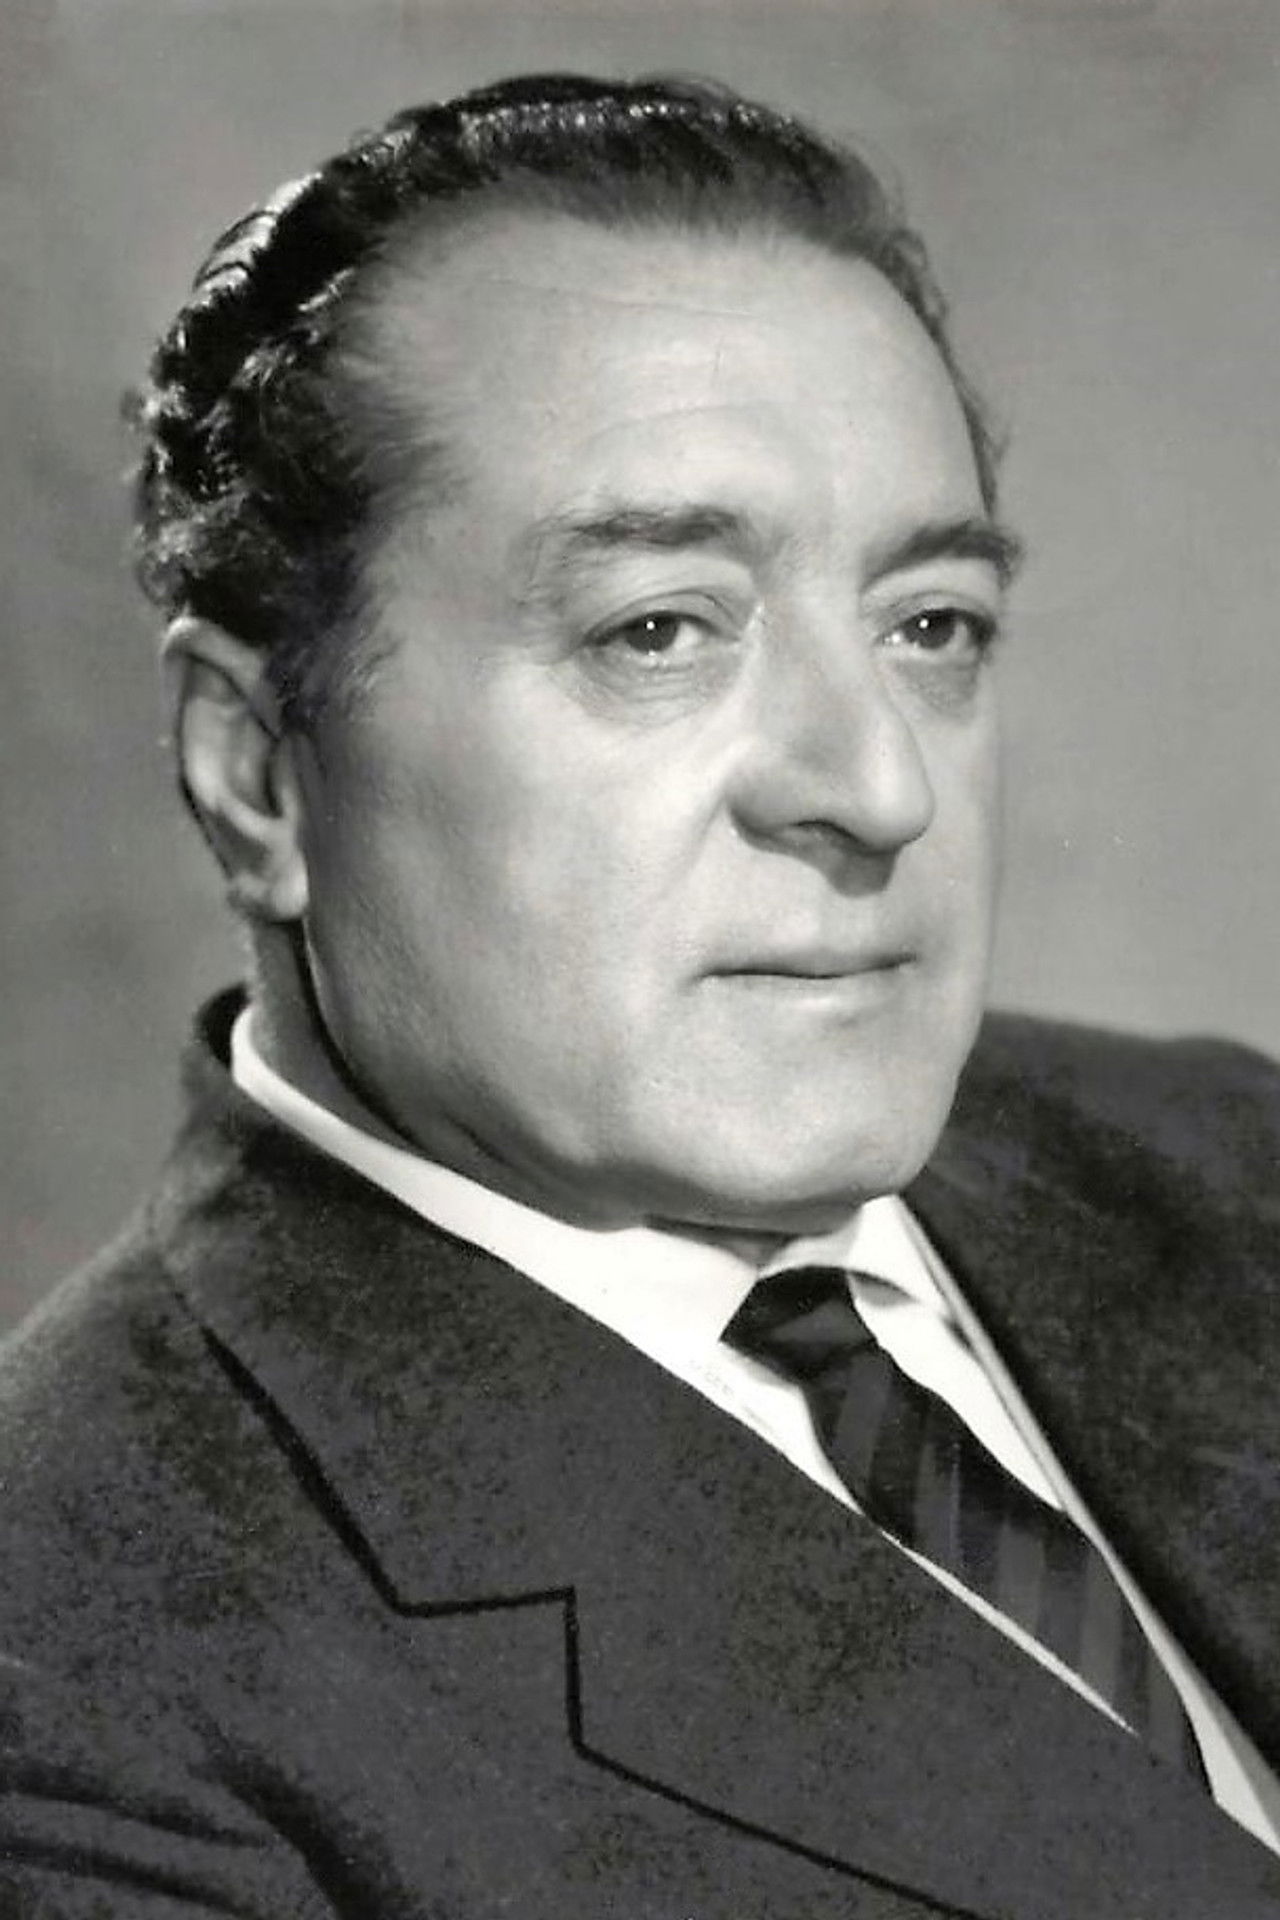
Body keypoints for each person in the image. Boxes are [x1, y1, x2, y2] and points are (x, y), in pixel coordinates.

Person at [2, 69, 1279, 1919]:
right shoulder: (78, 1687)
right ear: (258, 773)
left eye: (931, 625)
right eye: (657, 631)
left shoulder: (1230, 1156)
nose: (881, 790)